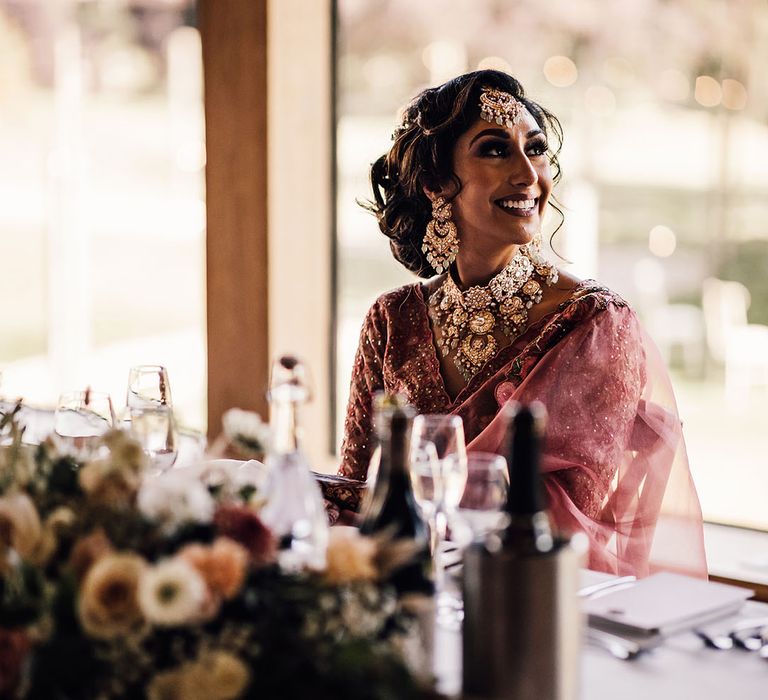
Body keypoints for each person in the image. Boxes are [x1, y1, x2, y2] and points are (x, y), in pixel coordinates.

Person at [331, 69, 706, 579]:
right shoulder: (391, 321)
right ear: (435, 182)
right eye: (494, 150)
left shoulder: (592, 325)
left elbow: (570, 522)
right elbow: (356, 489)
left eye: (535, 148)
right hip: (400, 589)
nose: (529, 175)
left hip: (531, 599)